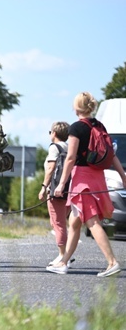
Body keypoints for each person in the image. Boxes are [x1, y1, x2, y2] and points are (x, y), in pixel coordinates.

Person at [47, 92, 123, 277]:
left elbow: (71, 158)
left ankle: (112, 262)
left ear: (76, 108)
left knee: (91, 221)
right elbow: (111, 154)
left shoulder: (77, 128)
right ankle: (64, 262)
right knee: (74, 222)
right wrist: (123, 175)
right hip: (97, 176)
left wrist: (61, 183)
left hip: (83, 180)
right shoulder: (99, 125)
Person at [38, 122, 71, 266]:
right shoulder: (69, 147)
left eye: (50, 132)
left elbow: (51, 168)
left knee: (59, 224)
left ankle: (63, 256)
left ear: (54, 133)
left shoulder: (54, 148)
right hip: (68, 189)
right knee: (58, 222)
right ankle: (65, 254)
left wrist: (44, 187)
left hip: (56, 189)